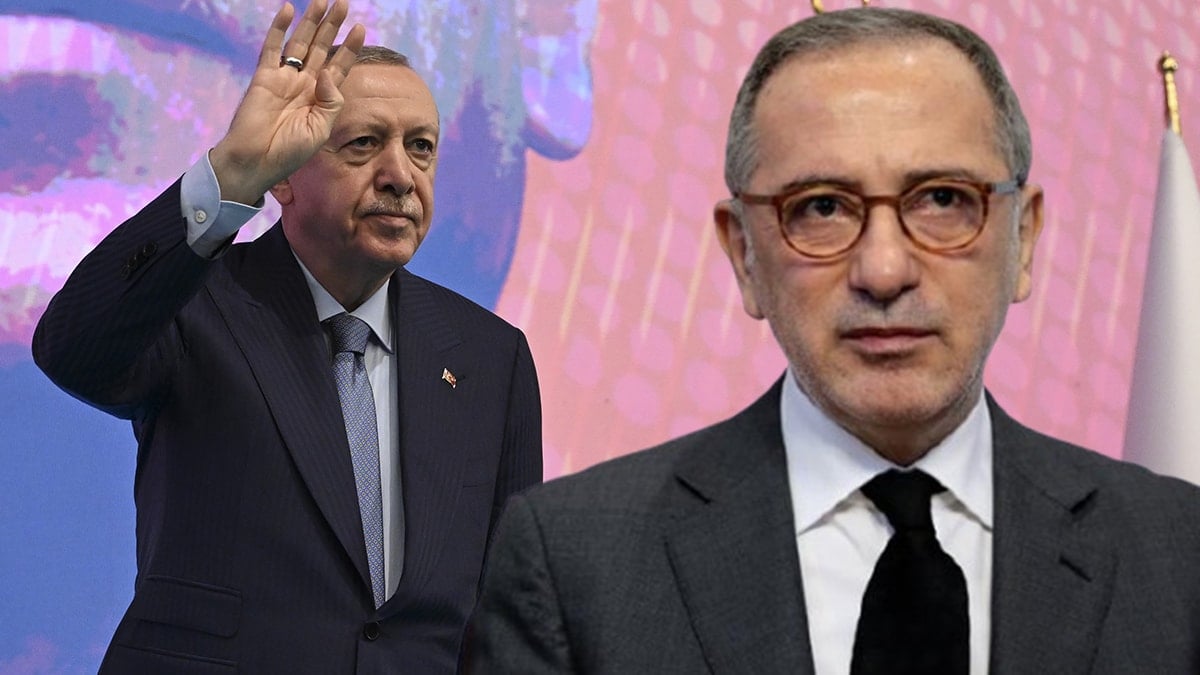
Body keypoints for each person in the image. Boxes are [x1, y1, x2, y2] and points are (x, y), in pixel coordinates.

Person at [465, 7, 1200, 674]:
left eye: (943, 199)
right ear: (744, 254)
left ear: (1025, 239)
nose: (884, 270)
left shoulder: (1179, 553)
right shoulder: (575, 562)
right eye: (821, 207)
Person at [31, 0, 541, 671]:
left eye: (421, 146)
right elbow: (73, 348)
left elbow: (509, 608)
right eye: (363, 144)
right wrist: (233, 173)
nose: (400, 175)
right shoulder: (195, 300)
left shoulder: (490, 355)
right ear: (285, 179)